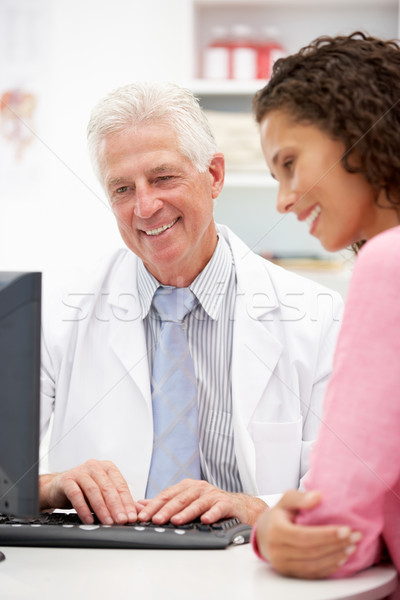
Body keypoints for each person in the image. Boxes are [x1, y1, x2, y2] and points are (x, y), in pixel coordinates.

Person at [39, 81, 343, 529]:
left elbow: (341, 494)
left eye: (163, 178)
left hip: (250, 572)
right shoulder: (58, 311)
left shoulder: (317, 317)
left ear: (214, 175)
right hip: (102, 574)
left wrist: (255, 508)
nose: (145, 206)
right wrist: (49, 486)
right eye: (122, 189)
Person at [251, 31, 400, 584]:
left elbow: (334, 535)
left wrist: (268, 529)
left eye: (290, 163)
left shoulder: (388, 264)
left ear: (359, 134)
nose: (284, 199)